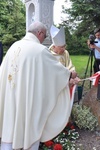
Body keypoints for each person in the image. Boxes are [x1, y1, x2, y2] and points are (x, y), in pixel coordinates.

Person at [0, 21, 77, 150]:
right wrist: (70, 75)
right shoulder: (39, 50)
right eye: (45, 36)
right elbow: (55, 71)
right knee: (29, 128)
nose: (44, 39)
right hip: (27, 100)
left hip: (10, 97)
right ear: (39, 33)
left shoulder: (14, 46)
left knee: (10, 128)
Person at [49, 25, 80, 101]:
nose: (64, 49)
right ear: (54, 47)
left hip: (67, 82)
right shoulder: (48, 55)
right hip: (55, 85)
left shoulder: (65, 53)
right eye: (61, 47)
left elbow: (69, 65)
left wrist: (73, 75)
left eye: (64, 46)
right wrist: (68, 77)